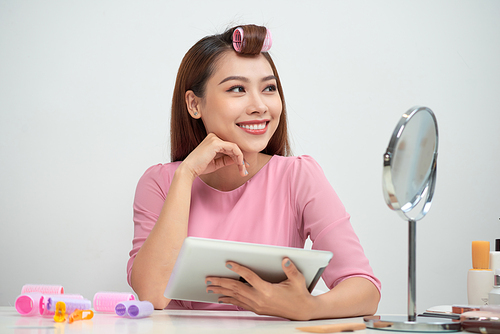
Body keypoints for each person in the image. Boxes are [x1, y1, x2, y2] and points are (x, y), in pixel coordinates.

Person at [127, 24, 381, 321]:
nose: (260, 106)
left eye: (269, 88)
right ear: (194, 104)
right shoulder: (159, 183)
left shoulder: (299, 176)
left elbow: (365, 290)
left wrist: (310, 308)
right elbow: (152, 294)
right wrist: (186, 175)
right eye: (237, 89)